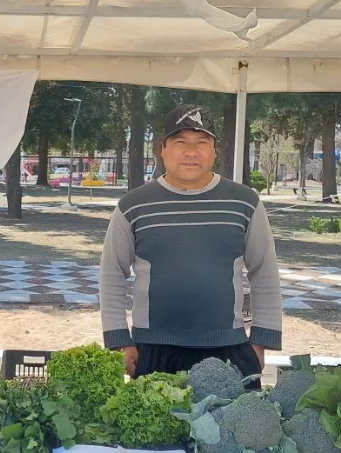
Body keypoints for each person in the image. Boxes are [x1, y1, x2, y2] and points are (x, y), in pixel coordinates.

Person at [99, 104, 282, 388]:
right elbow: (112, 273)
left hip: (229, 350)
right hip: (154, 350)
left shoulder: (245, 202)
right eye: (180, 142)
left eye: (201, 142)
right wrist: (119, 340)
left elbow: (264, 272)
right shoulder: (133, 205)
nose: (191, 152)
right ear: (163, 149)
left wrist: (261, 340)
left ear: (214, 150)